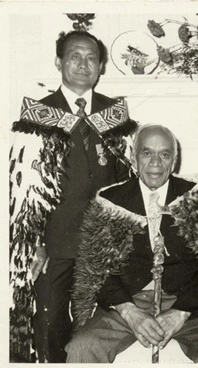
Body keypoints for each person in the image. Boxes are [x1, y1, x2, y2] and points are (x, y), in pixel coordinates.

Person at [9, 30, 137, 362]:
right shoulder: (37, 115)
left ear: (100, 67)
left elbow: (126, 181)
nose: (83, 64)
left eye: (91, 57)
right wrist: (32, 241)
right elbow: (22, 187)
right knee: (48, 320)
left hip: (103, 240)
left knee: (93, 326)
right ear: (59, 62)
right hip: (54, 241)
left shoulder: (114, 115)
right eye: (74, 56)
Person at [66, 124, 198, 363]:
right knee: (83, 347)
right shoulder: (110, 201)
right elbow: (95, 268)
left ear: (174, 161)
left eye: (164, 154)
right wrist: (129, 312)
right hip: (127, 299)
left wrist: (181, 312)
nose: (156, 162)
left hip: (185, 301)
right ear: (133, 158)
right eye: (147, 153)